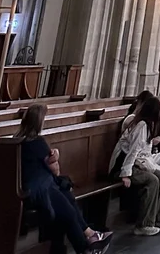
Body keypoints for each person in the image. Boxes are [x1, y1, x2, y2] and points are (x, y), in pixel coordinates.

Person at [15, 104, 112, 251]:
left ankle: (90, 237)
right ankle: (87, 246)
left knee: (68, 198)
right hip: (41, 189)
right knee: (69, 213)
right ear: (39, 122)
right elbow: (55, 171)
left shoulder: (17, 140)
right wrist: (56, 155)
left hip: (33, 187)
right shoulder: (37, 142)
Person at [114, 95, 160, 234]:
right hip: (122, 165)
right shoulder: (141, 125)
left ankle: (159, 218)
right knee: (153, 180)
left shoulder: (146, 124)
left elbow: (142, 152)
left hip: (135, 163)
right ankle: (144, 224)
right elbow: (133, 151)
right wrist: (125, 175)